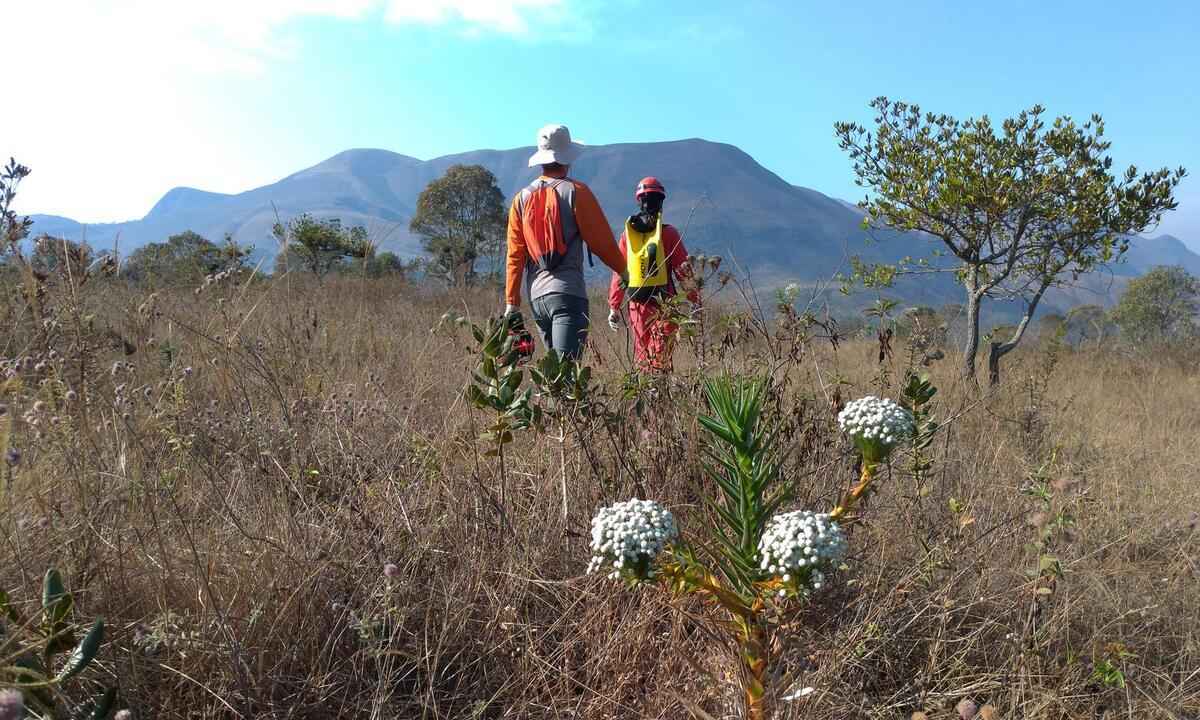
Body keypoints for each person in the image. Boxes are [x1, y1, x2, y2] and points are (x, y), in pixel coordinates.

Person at [505, 124, 626, 361]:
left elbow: (515, 255)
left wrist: (512, 302)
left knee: (553, 378)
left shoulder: (520, 199)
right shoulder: (576, 191)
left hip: (537, 300)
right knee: (567, 376)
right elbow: (602, 243)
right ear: (568, 157)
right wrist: (625, 272)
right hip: (568, 295)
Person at [607, 177, 698, 372]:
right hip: (665, 303)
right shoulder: (669, 233)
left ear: (639, 201)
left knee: (642, 357)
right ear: (661, 202)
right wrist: (695, 301)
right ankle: (661, 396)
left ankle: (648, 397)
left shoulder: (627, 235)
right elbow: (684, 271)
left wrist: (614, 306)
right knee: (661, 356)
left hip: (637, 305)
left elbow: (618, 272)